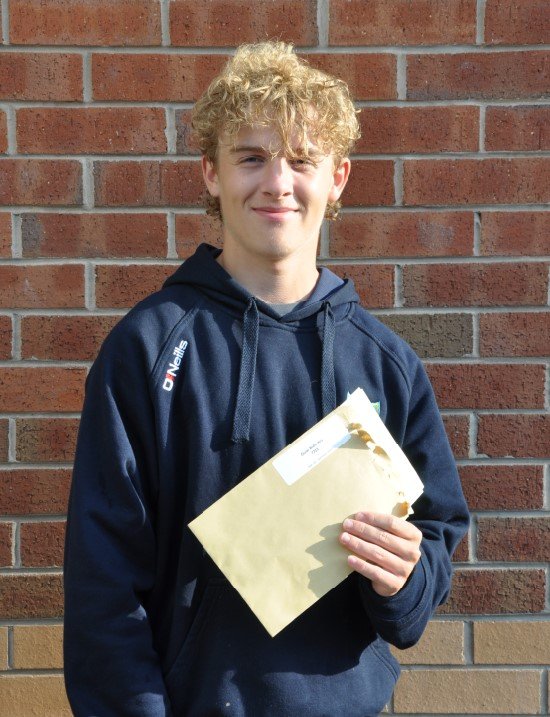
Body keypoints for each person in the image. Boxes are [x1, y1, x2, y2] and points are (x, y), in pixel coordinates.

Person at [64, 42, 469, 717]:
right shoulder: (147, 350)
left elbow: (430, 554)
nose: (277, 183)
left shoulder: (387, 365)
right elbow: (103, 583)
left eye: (301, 160)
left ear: (337, 178)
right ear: (211, 172)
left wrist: (405, 578)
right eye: (251, 157)